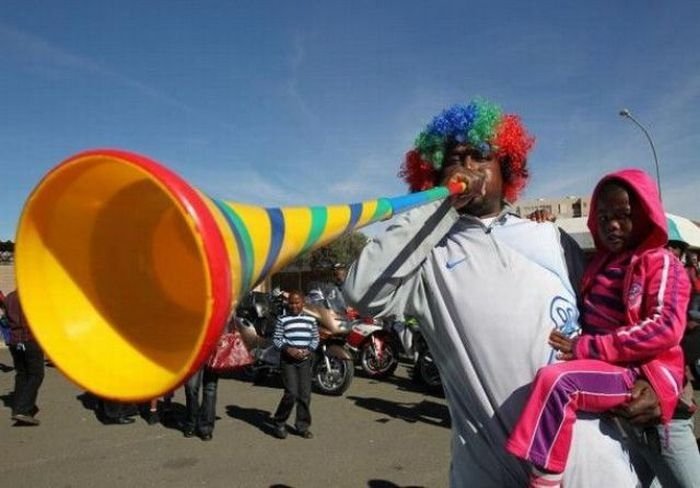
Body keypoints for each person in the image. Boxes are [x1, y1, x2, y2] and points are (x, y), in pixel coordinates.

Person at [343, 98, 659, 487]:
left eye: (481, 156)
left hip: (592, 465)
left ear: (506, 166)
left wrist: (658, 383)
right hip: (489, 472)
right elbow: (361, 293)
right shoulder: (426, 255)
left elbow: (616, 320)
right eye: (455, 159)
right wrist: (438, 206)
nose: (468, 168)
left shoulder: (551, 238)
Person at [506, 169, 699, 487]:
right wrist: (538, 226)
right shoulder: (598, 265)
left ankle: (544, 480)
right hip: (618, 406)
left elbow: (665, 327)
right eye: (604, 215)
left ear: (646, 214)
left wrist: (588, 347)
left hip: (659, 409)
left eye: (624, 215)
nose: (612, 224)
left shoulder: (659, 262)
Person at [271, 289, 319, 439]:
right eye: (291, 303)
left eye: (297, 302)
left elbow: (315, 338)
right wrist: (288, 349)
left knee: (305, 395)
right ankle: (279, 422)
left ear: (303, 304)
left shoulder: (311, 320)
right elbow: (277, 339)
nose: (293, 306)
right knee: (291, 393)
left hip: (304, 361)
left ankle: (302, 426)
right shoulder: (282, 320)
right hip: (288, 361)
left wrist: (308, 350)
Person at [5, 290, 45, 426]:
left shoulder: (10, 297)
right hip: (29, 339)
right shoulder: (29, 295)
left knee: (22, 374)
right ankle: (23, 409)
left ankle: (18, 407)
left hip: (14, 340)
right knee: (36, 375)